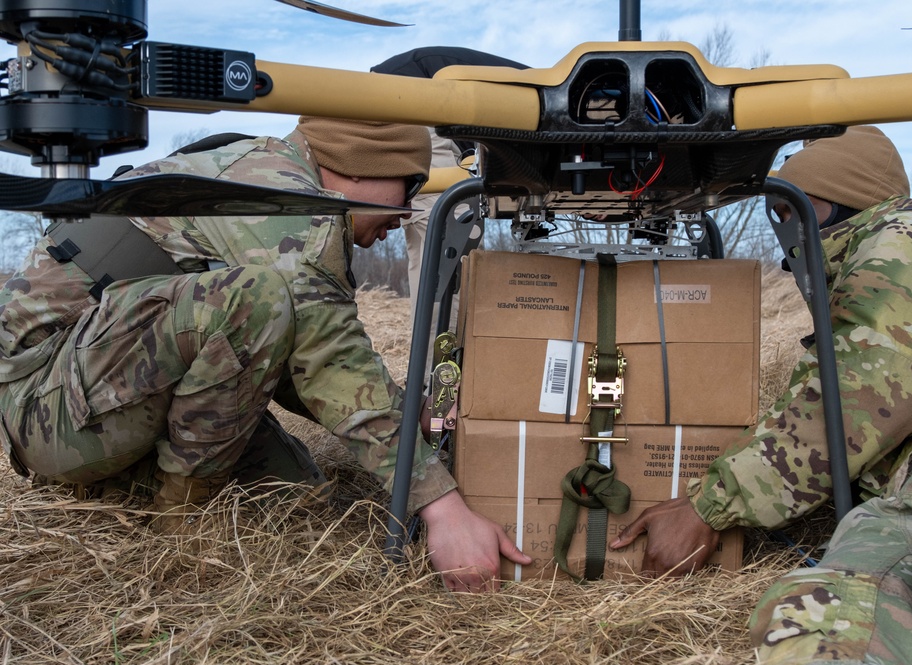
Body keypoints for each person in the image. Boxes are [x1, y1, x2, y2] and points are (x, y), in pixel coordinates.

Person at [0, 116, 531, 593]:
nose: (407, 210)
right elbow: (331, 363)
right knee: (253, 299)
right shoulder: (287, 204)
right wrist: (442, 507)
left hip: (98, 392)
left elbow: (304, 358)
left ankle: (124, 479)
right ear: (362, 164)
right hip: (44, 409)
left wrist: (413, 416)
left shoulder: (281, 184)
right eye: (409, 185)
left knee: (295, 498)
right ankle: (181, 528)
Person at [611, 125, 912, 664]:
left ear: (834, 204)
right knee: (817, 620)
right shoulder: (858, 268)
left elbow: (865, 392)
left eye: (792, 213)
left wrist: (711, 504)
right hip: (910, 486)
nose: (783, 235)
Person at [370, 47, 527, 317]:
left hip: (407, 100)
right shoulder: (564, 103)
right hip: (414, 94)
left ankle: (432, 352)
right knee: (453, 234)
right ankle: (450, 350)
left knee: (429, 248)